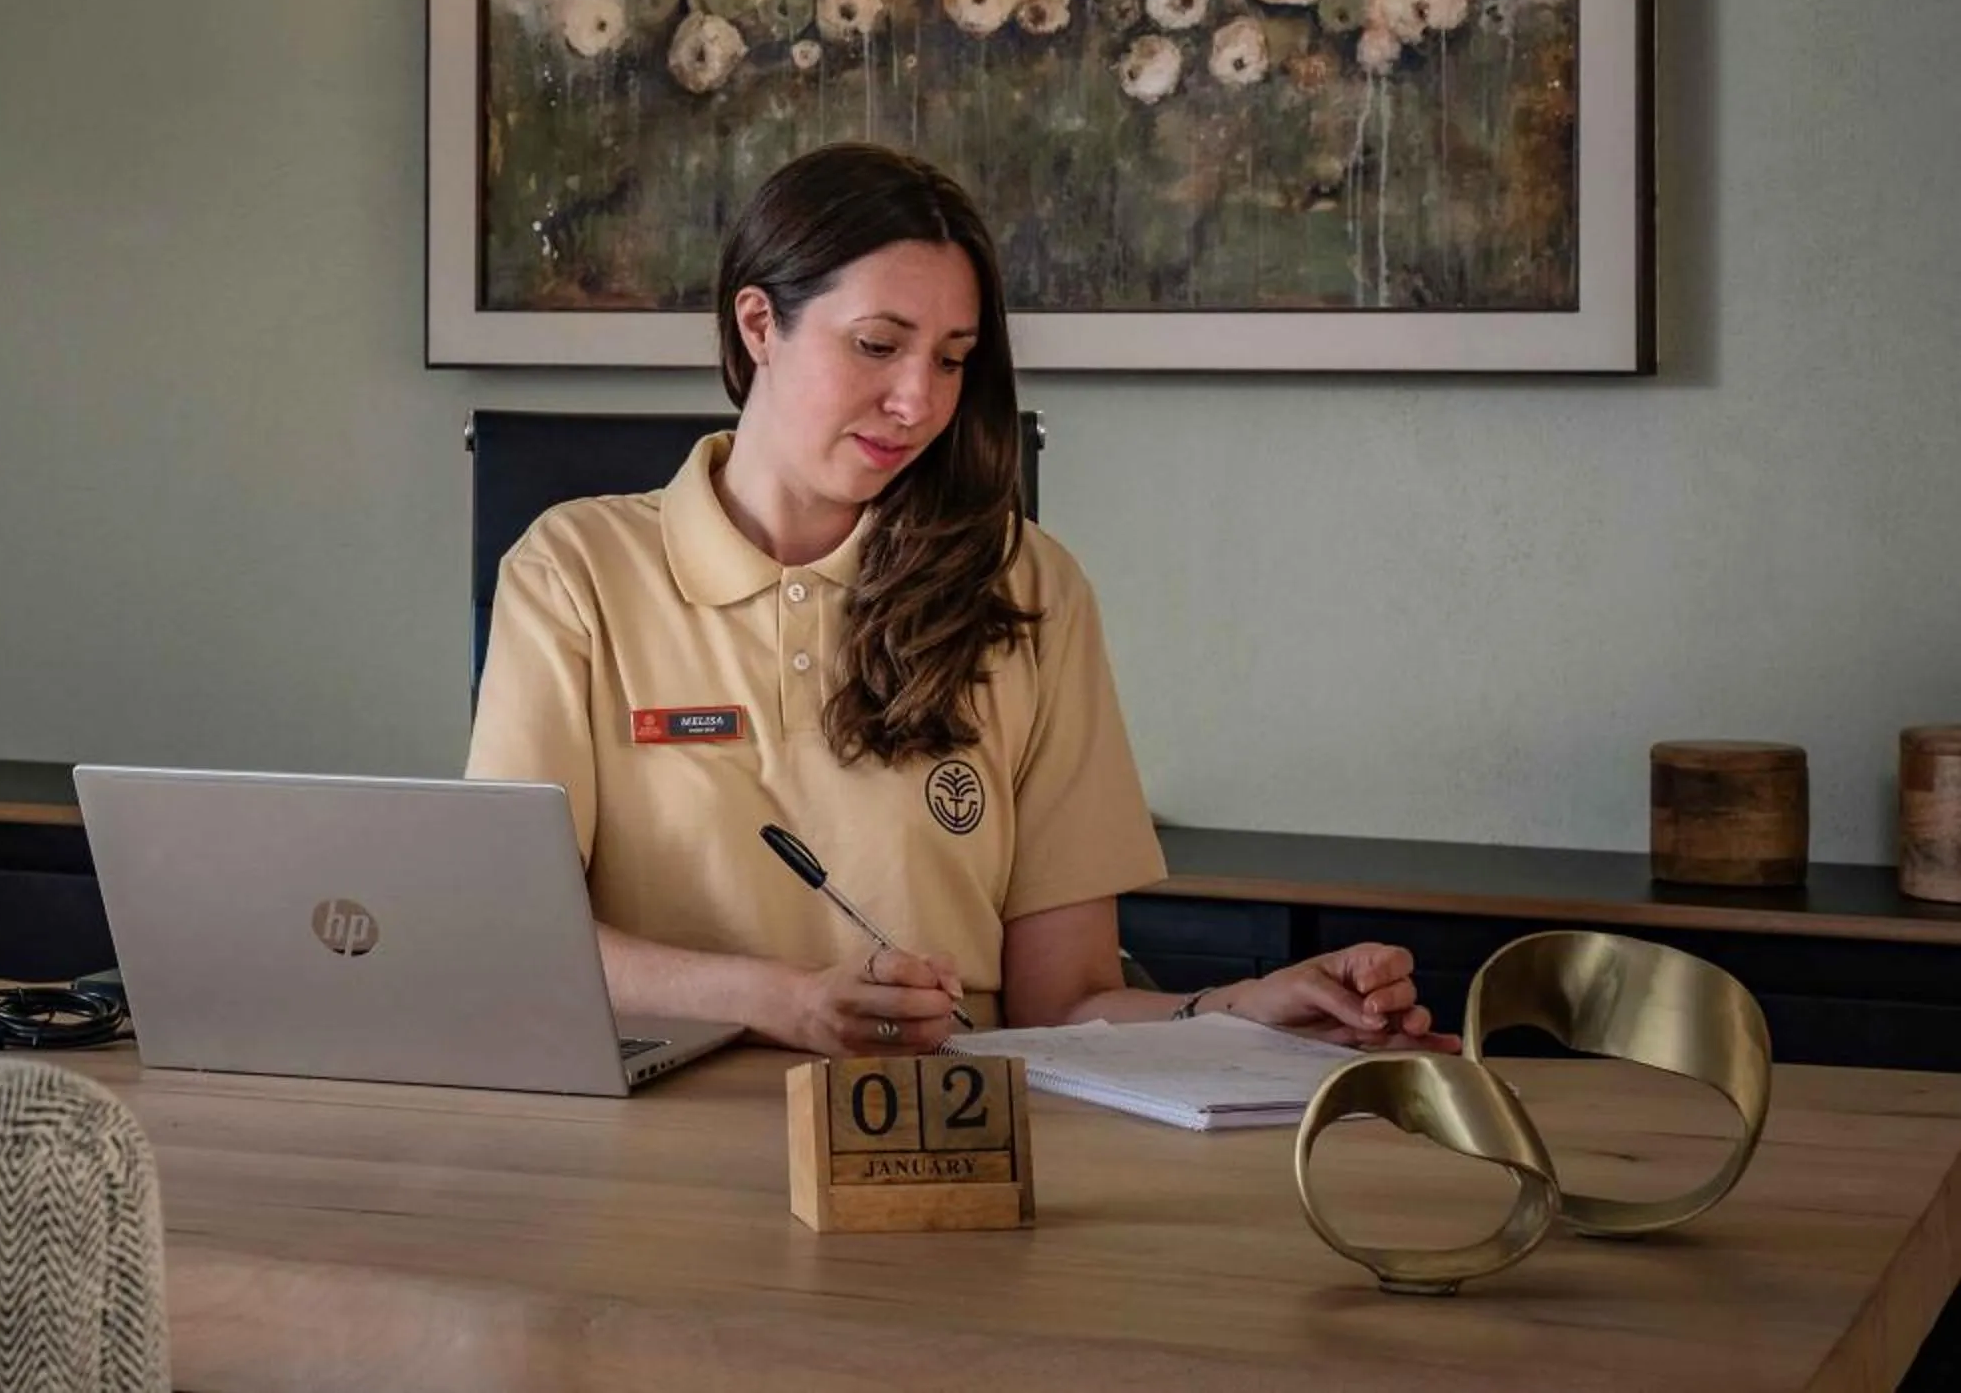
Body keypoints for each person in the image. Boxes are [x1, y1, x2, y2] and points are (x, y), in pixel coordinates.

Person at [466, 143, 1456, 1058]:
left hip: (948, 1138)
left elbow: (1064, 1002)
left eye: (950, 357)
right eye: (877, 344)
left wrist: (1247, 1013)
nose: (919, 401)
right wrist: (789, 998)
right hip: (661, 1146)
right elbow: (514, 935)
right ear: (759, 322)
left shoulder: (1029, 587)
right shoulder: (574, 574)